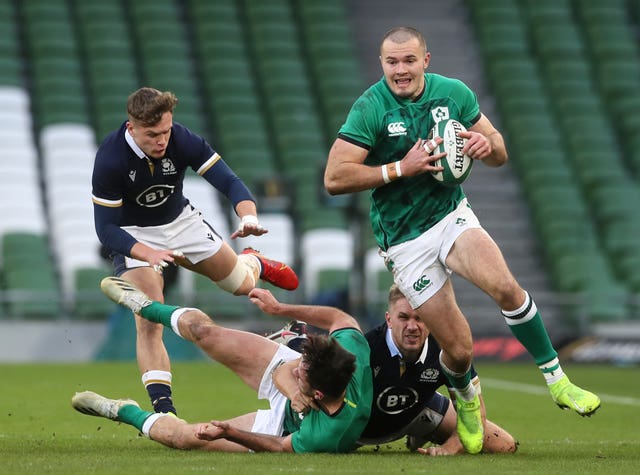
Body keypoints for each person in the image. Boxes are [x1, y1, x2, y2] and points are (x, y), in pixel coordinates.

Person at [323, 26, 600, 454]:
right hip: (404, 241)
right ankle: (467, 402)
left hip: (450, 215)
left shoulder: (453, 93)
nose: (400, 70)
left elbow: (499, 148)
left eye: (409, 61)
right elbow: (334, 178)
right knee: (459, 349)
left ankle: (558, 381)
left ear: (425, 61)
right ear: (382, 64)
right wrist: (401, 167)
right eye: (392, 62)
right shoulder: (370, 108)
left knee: (506, 287)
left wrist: (482, 144)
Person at [91, 87, 299, 416]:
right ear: (132, 128)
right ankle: (164, 411)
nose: (162, 140)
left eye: (166, 131)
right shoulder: (111, 159)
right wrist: (147, 253)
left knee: (241, 286)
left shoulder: (182, 139)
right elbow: (106, 229)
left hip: (181, 223)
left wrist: (248, 216)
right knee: (148, 315)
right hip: (135, 235)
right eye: (152, 134)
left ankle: (252, 261)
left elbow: (229, 181)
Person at [71, 276, 372, 453]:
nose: (297, 364)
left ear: (318, 395)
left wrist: (229, 432)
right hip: (302, 395)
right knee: (204, 332)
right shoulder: (349, 356)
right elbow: (340, 320)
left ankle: (124, 411)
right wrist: (280, 308)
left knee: (184, 438)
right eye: (301, 361)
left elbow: (281, 448)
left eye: (302, 370)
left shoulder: (327, 433)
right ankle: (148, 307)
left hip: (282, 428)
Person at [359, 284, 517, 456]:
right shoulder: (366, 347)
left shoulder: (449, 349)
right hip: (359, 430)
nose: (412, 326)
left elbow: (476, 413)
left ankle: (424, 431)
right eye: (404, 317)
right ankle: (425, 432)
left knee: (505, 445)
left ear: (431, 319)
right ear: (389, 319)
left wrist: (452, 446)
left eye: (419, 318)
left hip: (418, 412)